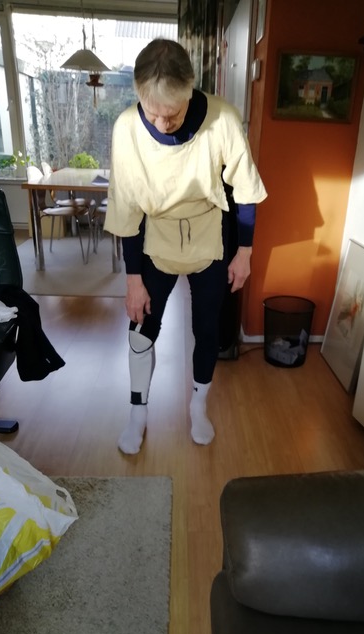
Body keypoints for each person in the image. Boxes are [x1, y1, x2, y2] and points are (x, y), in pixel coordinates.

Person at [104, 39, 267, 454]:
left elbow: (246, 191)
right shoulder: (126, 128)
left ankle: (198, 405)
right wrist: (133, 279)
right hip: (155, 241)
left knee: (206, 329)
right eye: (152, 112)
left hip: (209, 240)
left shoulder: (223, 118)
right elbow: (125, 207)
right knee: (141, 329)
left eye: (172, 114)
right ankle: (138, 413)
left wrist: (244, 253)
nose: (161, 124)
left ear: (190, 89)